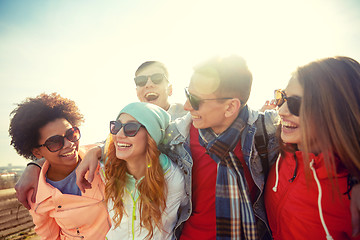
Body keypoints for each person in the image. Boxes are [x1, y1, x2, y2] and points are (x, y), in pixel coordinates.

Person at [76, 55, 279, 239]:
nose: (187, 106)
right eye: (188, 94)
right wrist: (96, 150)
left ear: (231, 106)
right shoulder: (176, 136)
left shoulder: (267, 129)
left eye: (196, 100)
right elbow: (136, 139)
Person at [14, 60, 188, 210]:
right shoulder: (126, 128)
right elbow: (79, 148)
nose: (148, 84)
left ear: (170, 89)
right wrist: (35, 165)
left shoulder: (189, 119)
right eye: (141, 81)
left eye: (157, 78)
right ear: (137, 92)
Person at [264, 56, 360, 239]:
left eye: (296, 104)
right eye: (281, 98)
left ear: (336, 109)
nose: (282, 111)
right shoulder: (276, 147)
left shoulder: (350, 197)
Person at [8, 93, 111, 239]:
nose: (69, 144)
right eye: (55, 142)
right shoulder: (37, 194)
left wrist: (98, 151)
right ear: (37, 152)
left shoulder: (99, 156)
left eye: (71, 134)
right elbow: (50, 236)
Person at [101, 102, 185, 239]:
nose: (119, 134)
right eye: (116, 126)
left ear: (151, 136)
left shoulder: (173, 178)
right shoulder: (107, 172)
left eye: (131, 128)